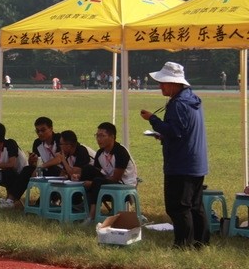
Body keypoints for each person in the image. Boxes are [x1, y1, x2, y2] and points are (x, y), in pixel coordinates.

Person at [141, 61, 209, 249]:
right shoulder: (193, 99)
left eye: (163, 82)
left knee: (178, 207)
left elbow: (175, 131)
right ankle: (201, 243)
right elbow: (182, 131)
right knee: (195, 205)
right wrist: (164, 135)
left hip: (181, 163)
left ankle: (182, 245)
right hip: (196, 161)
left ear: (174, 83)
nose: (160, 86)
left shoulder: (177, 104)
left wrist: (152, 119)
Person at [79, 122, 138, 225]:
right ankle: (82, 206)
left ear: (112, 137)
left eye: (102, 136)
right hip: (108, 181)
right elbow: (95, 172)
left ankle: (92, 216)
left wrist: (92, 183)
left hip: (124, 186)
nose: (98, 139)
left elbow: (116, 178)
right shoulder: (100, 153)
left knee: (96, 182)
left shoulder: (120, 152)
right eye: (97, 136)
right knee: (87, 169)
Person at [0, 122, 28, 208]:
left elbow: (11, 164)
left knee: (8, 172)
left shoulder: (10, 144)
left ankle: (11, 200)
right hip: (7, 172)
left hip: (21, 174)